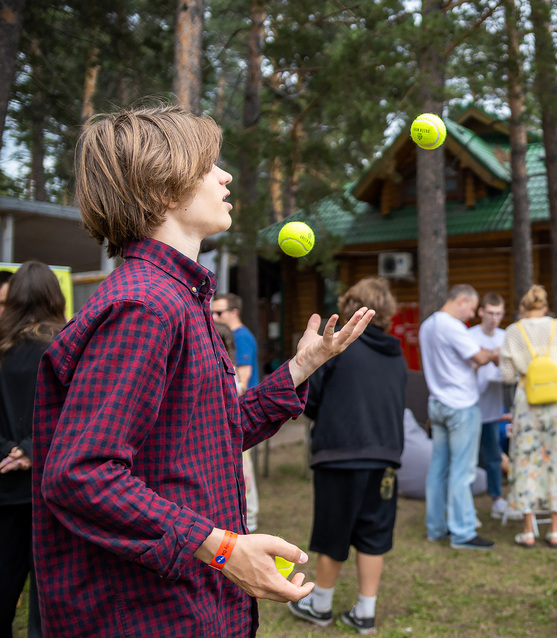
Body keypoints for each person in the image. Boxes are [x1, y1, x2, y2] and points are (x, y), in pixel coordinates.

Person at [30, 104, 375, 638]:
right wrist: (223, 548)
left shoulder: (176, 300)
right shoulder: (145, 305)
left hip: (188, 601)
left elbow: (205, 437)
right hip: (148, 613)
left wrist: (302, 366)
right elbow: (80, 474)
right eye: (208, 164)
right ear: (164, 190)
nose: (225, 175)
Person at [288, 277, 407, 635]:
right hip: (385, 457)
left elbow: (312, 396)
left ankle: (320, 605)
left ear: (351, 305)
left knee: (333, 531)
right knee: (374, 534)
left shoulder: (339, 347)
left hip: (339, 452)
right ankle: (365, 613)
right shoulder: (396, 354)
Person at [0, 262, 65, 638]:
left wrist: (12, 449)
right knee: (47, 598)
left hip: (6, 484)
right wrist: (29, 449)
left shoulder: (2, 347)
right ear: (53, 296)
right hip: (48, 488)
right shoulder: (64, 344)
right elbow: (73, 413)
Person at [419, 284, 498, 550]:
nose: (473, 314)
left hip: (437, 403)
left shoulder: (427, 326)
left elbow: (458, 360)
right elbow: (479, 356)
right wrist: (493, 353)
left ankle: (436, 527)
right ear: (461, 300)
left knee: (438, 468)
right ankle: (463, 532)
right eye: (473, 308)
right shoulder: (451, 326)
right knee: (462, 471)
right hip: (461, 406)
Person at [499, 285, 557, 548]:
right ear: (544, 306)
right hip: (556, 401)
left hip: (527, 399)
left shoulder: (513, 332)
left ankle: (528, 530)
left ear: (522, 307)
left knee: (525, 460)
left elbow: (507, 376)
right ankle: (555, 530)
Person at [211, 292, 262, 530]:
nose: (213, 316)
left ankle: (246, 525)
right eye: (211, 312)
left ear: (233, 313)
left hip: (238, 418)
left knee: (243, 475)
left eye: (219, 312)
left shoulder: (240, 336)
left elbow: (243, 376)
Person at [467, 292, 508, 519]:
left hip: (493, 407)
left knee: (493, 455)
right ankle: (467, 504)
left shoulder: (505, 337)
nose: (494, 318)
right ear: (481, 312)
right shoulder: (469, 336)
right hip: (470, 405)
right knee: (469, 457)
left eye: (499, 314)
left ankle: (496, 498)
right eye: (490, 313)